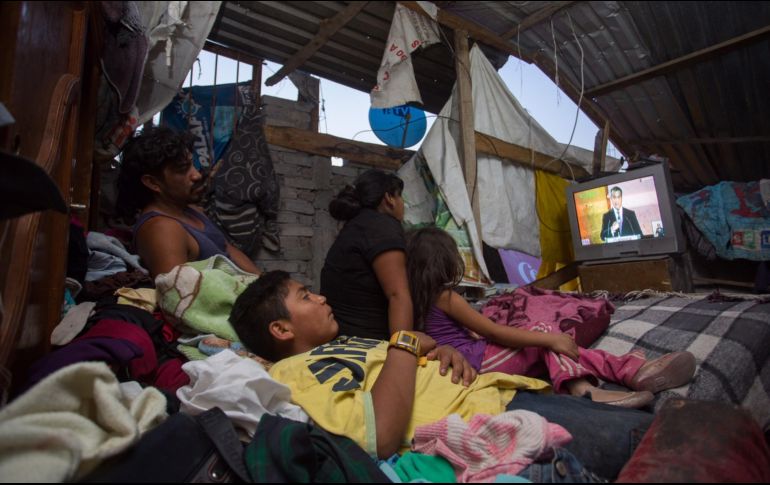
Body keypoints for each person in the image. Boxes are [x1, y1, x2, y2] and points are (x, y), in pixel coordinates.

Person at [229, 270, 657, 480]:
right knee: (656, 446)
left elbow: (418, 350)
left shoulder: (344, 344)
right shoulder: (298, 370)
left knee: (653, 428)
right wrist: (405, 342)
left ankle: (595, 390)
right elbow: (378, 433)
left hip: (499, 392)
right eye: (306, 296)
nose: (321, 298)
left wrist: (443, 348)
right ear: (282, 330)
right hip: (490, 423)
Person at [406, 226, 696, 409]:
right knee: (546, 333)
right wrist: (549, 337)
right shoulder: (446, 296)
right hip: (476, 363)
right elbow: (494, 333)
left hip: (475, 358)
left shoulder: (416, 299)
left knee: (558, 346)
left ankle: (633, 371)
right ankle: (583, 390)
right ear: (445, 262)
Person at [117, 127, 261, 278]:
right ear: (153, 182)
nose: (197, 175)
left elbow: (227, 249)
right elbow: (181, 296)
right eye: (182, 169)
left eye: (192, 164)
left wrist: (266, 283)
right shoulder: (162, 230)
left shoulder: (191, 210)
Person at [320, 169, 412, 340]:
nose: (403, 204)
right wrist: (402, 352)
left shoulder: (355, 225)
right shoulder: (383, 226)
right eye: (400, 197)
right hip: (367, 342)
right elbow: (397, 295)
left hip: (343, 336)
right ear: (389, 198)